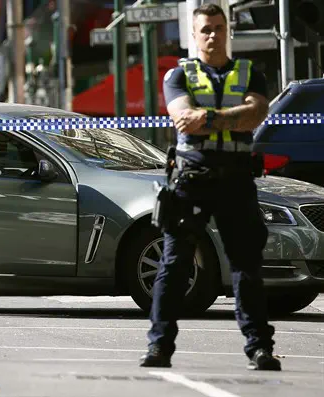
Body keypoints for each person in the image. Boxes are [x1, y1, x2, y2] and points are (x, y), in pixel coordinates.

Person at [140, 4, 281, 371]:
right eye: (206, 29)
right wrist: (231, 118)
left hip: (236, 180)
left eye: (219, 28)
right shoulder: (178, 76)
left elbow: (257, 112)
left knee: (246, 268)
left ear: (227, 30)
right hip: (192, 181)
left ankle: (259, 348)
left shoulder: (251, 74)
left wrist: (211, 118)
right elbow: (184, 121)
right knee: (174, 264)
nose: (213, 35)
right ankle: (159, 348)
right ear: (194, 34)